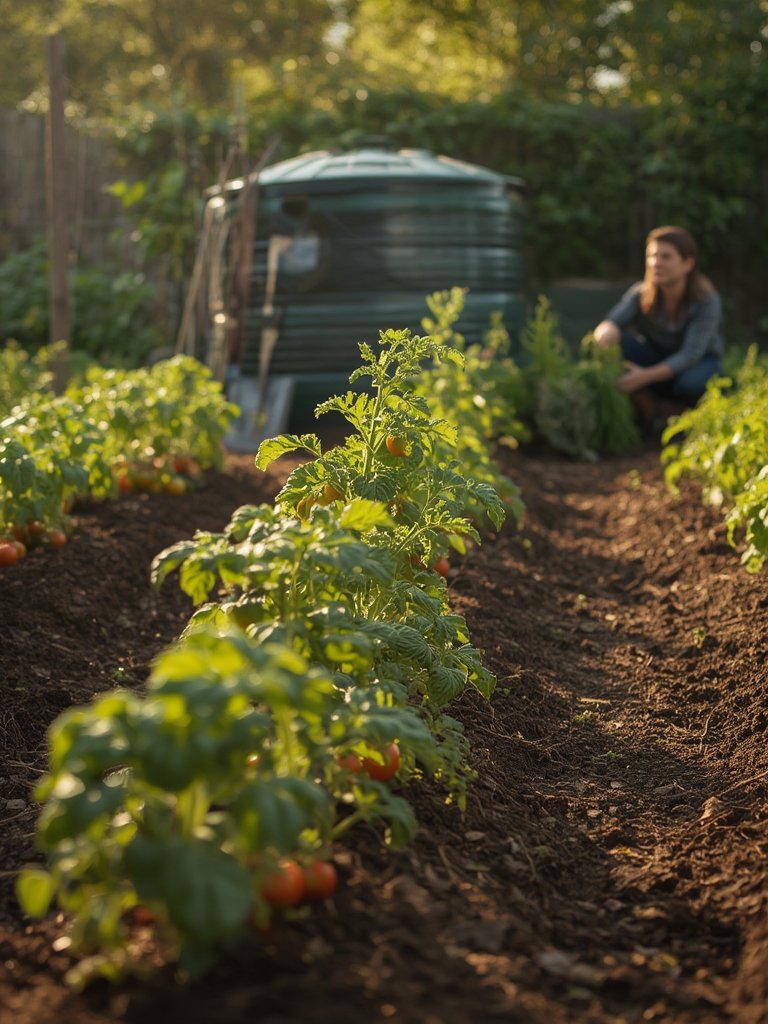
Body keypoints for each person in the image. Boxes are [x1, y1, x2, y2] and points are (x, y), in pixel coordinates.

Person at [593, 225, 724, 418]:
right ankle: (650, 411)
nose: (656, 263)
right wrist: (605, 333)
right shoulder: (641, 293)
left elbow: (690, 354)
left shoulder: (706, 301)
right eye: (652, 256)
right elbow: (611, 322)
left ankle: (689, 416)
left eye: (666, 257)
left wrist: (643, 377)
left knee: (691, 384)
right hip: (657, 359)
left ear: (688, 264)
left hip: (696, 364)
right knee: (619, 340)